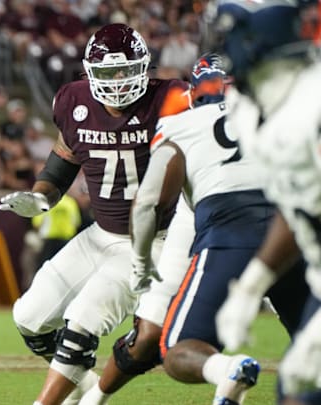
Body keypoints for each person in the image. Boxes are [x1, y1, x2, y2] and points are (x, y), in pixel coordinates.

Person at [79, 53, 308, 405]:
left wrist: (141, 264)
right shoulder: (288, 113)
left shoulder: (180, 125)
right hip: (287, 226)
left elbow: (147, 204)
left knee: (176, 348)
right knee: (309, 350)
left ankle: (224, 369)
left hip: (226, 225)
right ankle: (96, 397)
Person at [0, 23, 189, 405]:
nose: (118, 83)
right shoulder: (73, 101)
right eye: (108, 73)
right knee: (29, 318)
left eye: (126, 72)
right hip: (99, 234)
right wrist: (37, 199)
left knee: (83, 319)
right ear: (88, 72)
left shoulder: (171, 99)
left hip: (151, 240)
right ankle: (83, 387)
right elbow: (58, 169)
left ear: (144, 67)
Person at [208, 1, 321, 403]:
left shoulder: (311, 109)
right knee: (295, 391)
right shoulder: (260, 113)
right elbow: (298, 206)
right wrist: (250, 287)